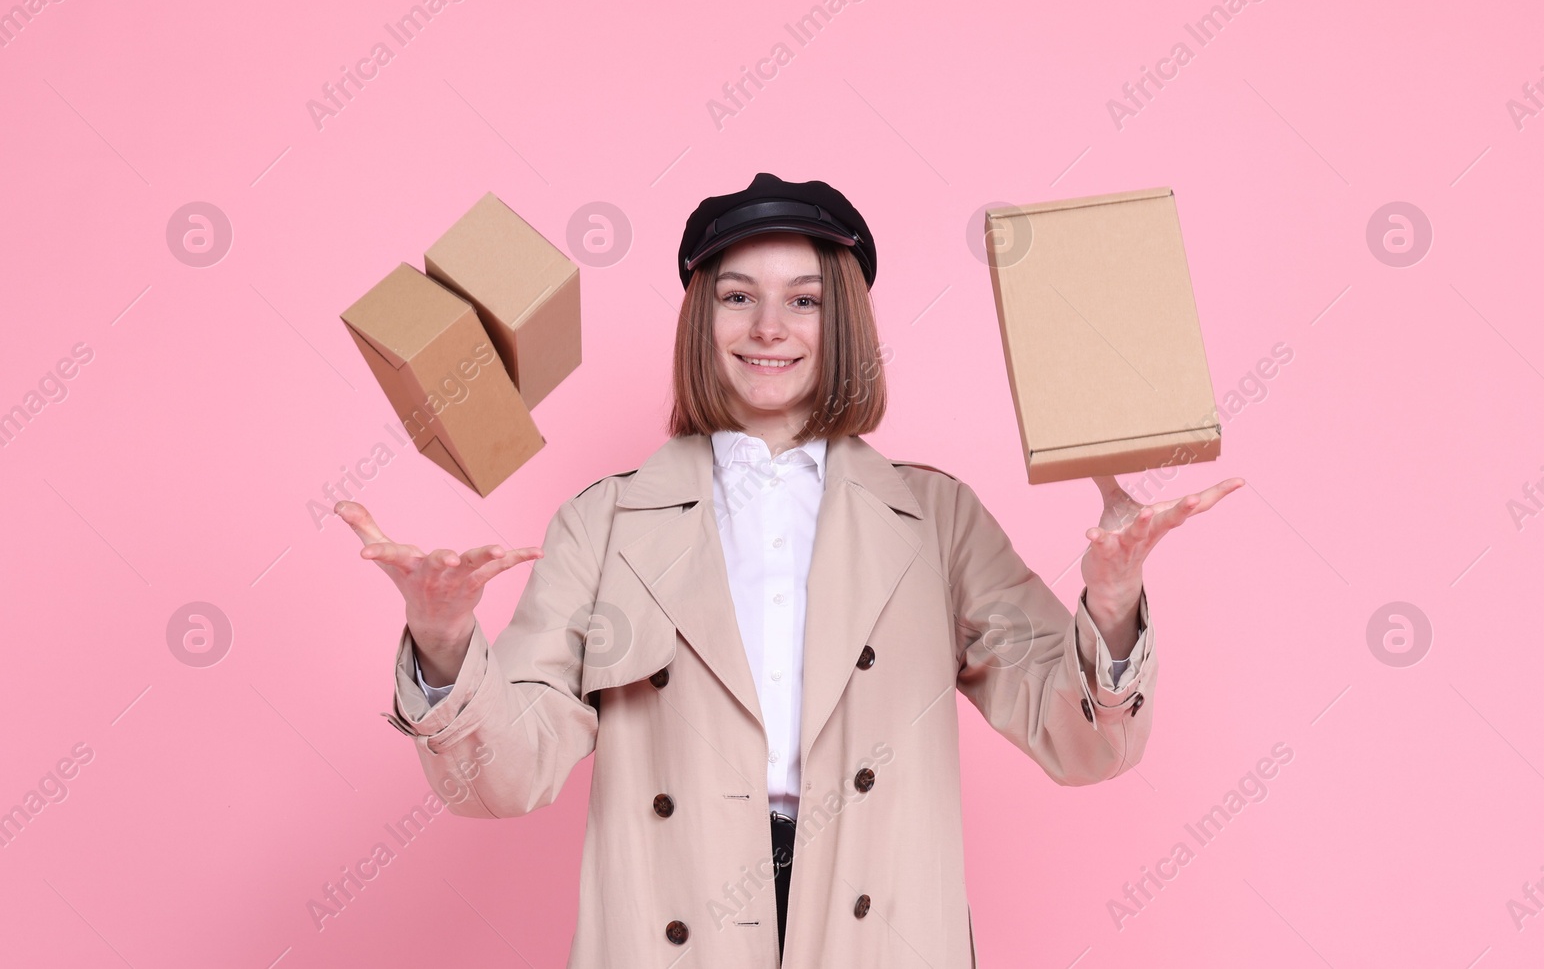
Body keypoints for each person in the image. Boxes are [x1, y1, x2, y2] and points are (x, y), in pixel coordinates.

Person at [338, 172, 1242, 968]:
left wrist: (1113, 603)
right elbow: (501, 779)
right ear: (702, 317)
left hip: (879, 918)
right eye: (738, 297)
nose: (769, 327)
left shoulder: (936, 519)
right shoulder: (604, 522)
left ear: (840, 320)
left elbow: (1084, 744)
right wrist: (446, 640)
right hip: (669, 915)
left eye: (804, 300)